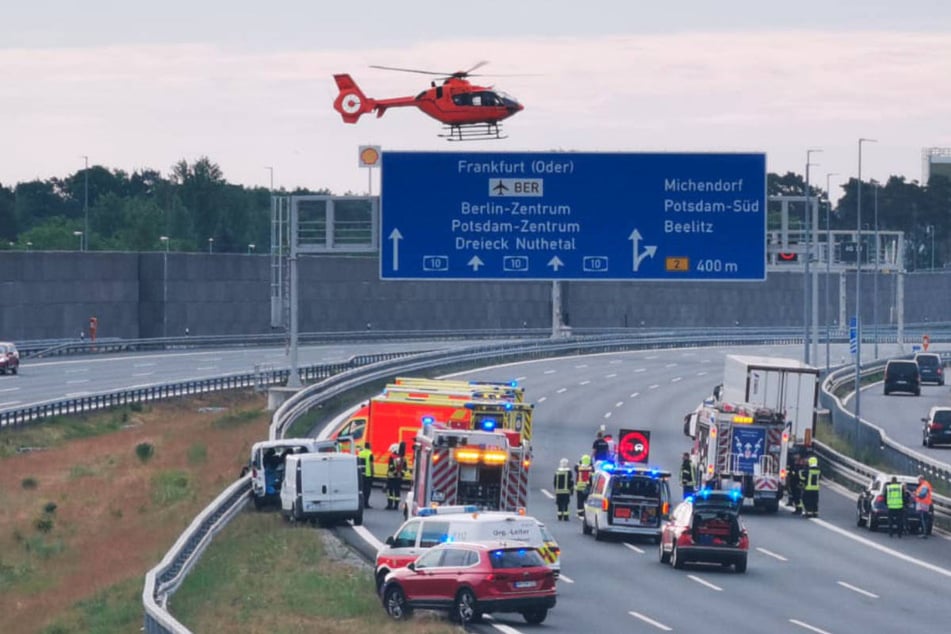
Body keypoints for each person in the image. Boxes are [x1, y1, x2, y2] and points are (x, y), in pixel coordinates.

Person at [385, 443, 407, 510]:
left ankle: (390, 505)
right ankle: (396, 506)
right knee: (397, 491)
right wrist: (400, 473)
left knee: (390, 491)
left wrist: (393, 473)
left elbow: (390, 467)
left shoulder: (392, 457)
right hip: (399, 478)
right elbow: (405, 468)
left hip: (391, 477)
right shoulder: (403, 458)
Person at [357, 442, 374, 509]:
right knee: (367, 490)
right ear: (369, 446)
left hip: (361, 474)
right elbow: (371, 464)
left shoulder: (360, 453)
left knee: (362, 490)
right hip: (368, 475)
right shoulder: (370, 453)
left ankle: (362, 503)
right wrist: (373, 473)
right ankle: (366, 503)